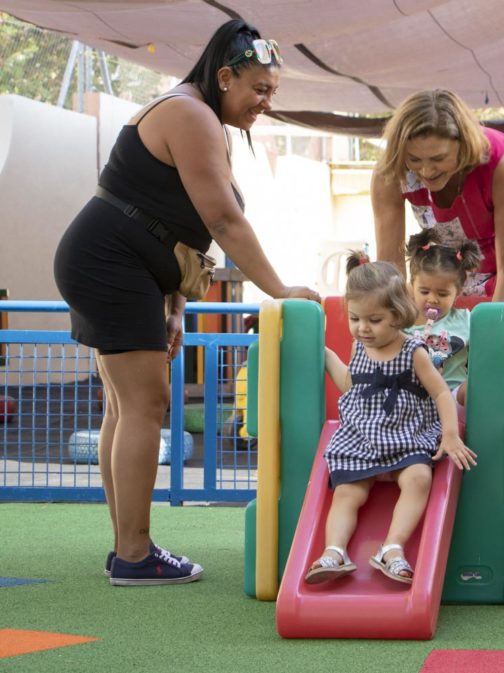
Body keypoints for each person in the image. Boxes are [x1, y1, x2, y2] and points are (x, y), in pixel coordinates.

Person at [53, 20, 319, 586]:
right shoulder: (190, 113)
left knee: (125, 408)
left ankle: (125, 545)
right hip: (109, 263)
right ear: (224, 77)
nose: (266, 103)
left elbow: (179, 226)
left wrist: (175, 308)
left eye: (273, 92)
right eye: (259, 89)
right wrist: (281, 288)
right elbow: (222, 219)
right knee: (145, 407)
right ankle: (134, 554)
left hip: (120, 265)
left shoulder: (203, 117)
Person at [306, 255, 477, 585]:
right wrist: (327, 356)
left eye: (374, 319)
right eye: (355, 318)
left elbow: (442, 393)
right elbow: (351, 385)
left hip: (406, 436)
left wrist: (451, 435)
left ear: (398, 315)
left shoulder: (414, 350)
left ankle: (392, 548)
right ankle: (334, 551)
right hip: (362, 439)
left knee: (419, 478)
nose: (362, 328)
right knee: (346, 492)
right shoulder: (360, 347)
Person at [371, 89, 504, 302]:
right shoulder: (389, 171)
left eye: (438, 158)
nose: (426, 171)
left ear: (463, 145)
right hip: (464, 254)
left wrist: (495, 329)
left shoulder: (502, 163)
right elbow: (390, 266)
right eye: (414, 159)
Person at [401, 228, 482, 408]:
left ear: (458, 292)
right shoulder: (402, 324)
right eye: (424, 291)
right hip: (413, 401)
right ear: (412, 286)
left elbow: (496, 337)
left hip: (454, 395)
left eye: (443, 294)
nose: (432, 299)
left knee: (474, 389)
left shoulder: (466, 320)